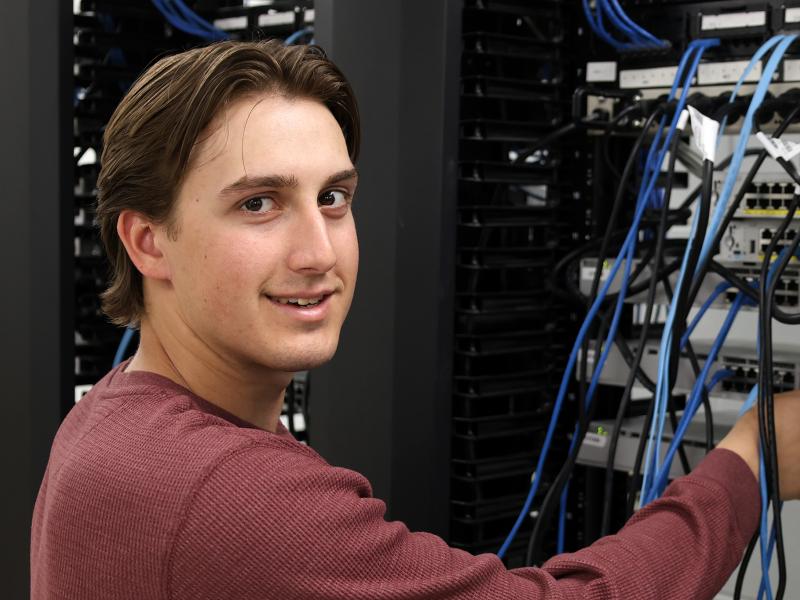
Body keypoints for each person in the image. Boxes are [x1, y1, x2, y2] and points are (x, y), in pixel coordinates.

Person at [31, 39, 800, 600]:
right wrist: (751, 464)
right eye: (258, 203)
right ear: (147, 241)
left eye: (333, 198)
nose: (318, 251)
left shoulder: (109, 417)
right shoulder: (228, 495)